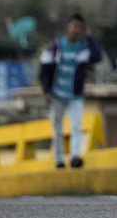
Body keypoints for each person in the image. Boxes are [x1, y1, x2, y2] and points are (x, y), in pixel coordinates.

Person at [39, 13, 103, 168]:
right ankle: (59, 159)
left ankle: (75, 156)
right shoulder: (56, 46)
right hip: (57, 94)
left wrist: (89, 37)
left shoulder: (83, 48)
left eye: (79, 28)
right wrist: (46, 90)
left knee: (76, 125)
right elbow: (44, 70)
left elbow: (97, 56)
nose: (75, 30)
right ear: (68, 27)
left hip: (75, 94)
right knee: (58, 127)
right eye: (73, 26)